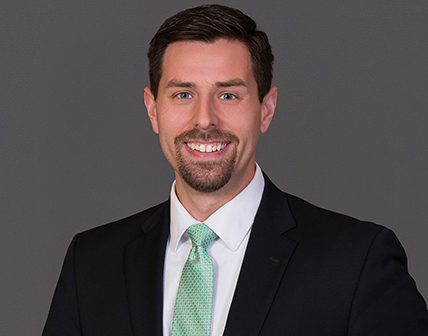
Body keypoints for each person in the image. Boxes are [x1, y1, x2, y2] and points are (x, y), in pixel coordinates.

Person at [42, 4, 428, 335]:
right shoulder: (91, 263)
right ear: (152, 109)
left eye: (228, 94)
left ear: (266, 108)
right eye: (183, 94)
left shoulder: (356, 262)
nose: (204, 119)